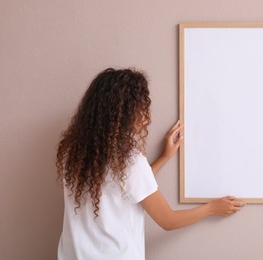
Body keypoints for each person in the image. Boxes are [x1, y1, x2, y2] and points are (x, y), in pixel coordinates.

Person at [55, 68, 245, 260]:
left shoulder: (73, 154)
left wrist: (163, 158)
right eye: (142, 109)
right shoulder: (131, 163)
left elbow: (124, 189)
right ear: (123, 113)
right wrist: (212, 208)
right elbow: (168, 220)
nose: (148, 117)